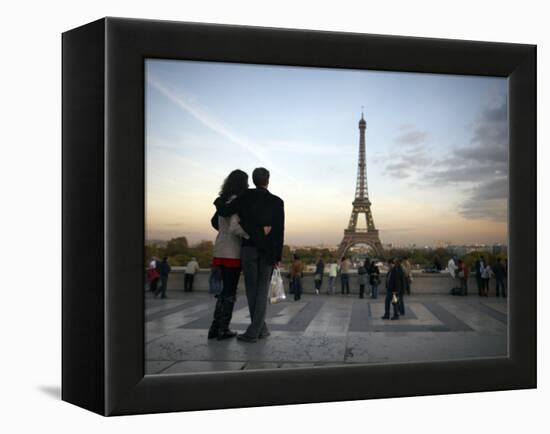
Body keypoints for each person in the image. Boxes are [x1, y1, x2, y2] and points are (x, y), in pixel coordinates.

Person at [215, 167, 285, 343]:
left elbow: (224, 211)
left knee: (252, 291)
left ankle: (255, 331)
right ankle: (260, 329)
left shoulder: (245, 196)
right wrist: (277, 257)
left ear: (253, 180)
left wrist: (217, 201)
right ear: (268, 180)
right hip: (268, 252)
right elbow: (279, 232)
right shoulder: (277, 202)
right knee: (261, 292)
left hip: (249, 249)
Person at [208, 169, 250, 340]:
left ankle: (215, 327)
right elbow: (235, 227)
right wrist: (249, 235)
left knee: (223, 292)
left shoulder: (223, 201)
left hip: (219, 249)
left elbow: (214, 222)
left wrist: (223, 233)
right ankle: (223, 329)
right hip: (232, 252)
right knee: (230, 292)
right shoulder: (235, 202)